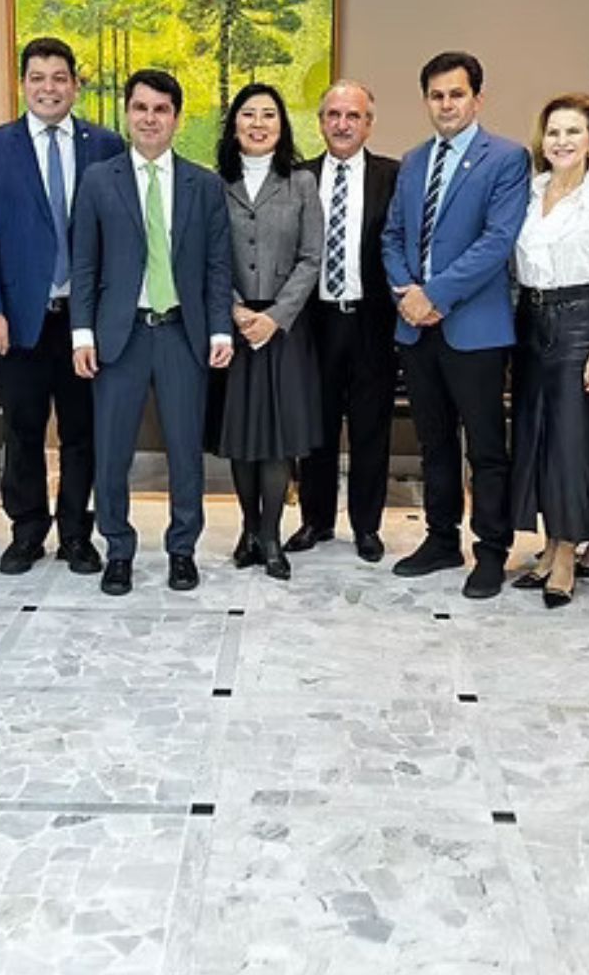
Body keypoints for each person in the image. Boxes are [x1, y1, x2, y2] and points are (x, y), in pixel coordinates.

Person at [0, 37, 125, 577]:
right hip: (16, 321)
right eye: (38, 77)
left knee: (82, 433)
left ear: (75, 85)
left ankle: (76, 534)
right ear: (22, 84)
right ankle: (27, 532)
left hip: (83, 322)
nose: (48, 88)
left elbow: (116, 235)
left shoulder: (105, 145)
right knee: (23, 430)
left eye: (59, 78)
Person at [70, 69, 234, 596]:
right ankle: (118, 550)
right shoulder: (99, 180)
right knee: (112, 451)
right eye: (140, 108)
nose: (150, 118)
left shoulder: (204, 185)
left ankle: (182, 549)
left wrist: (220, 330)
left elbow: (217, 266)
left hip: (182, 333)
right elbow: (84, 264)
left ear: (176, 118)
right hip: (119, 337)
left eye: (161, 109)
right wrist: (81, 334)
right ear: (127, 113)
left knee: (185, 451)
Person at [383, 51, 531, 600]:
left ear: (477, 99)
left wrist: (436, 294)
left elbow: (497, 240)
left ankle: (491, 551)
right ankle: (441, 539)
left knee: (486, 449)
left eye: (456, 94)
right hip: (416, 328)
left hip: (475, 328)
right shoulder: (413, 160)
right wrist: (407, 293)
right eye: (437, 96)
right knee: (434, 443)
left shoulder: (507, 158)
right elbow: (392, 237)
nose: (446, 104)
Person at [507, 95, 589, 608]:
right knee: (537, 437)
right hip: (530, 321)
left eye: (572, 132)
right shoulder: (528, 193)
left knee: (573, 442)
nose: (561, 141)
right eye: (553, 132)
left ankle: (566, 554)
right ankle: (547, 546)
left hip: (581, 324)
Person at [209, 83, 324, 580]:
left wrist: (275, 316)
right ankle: (249, 530)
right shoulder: (214, 184)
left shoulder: (301, 184)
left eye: (269, 115)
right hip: (232, 326)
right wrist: (235, 310)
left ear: (282, 125)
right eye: (249, 114)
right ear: (234, 123)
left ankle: (273, 536)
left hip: (284, 328)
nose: (258, 124)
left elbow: (311, 257)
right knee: (241, 436)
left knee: (277, 439)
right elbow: (206, 256)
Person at [288, 81, 400, 563]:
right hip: (314, 321)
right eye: (333, 115)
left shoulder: (393, 176)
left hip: (372, 320)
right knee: (316, 427)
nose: (342, 124)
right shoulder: (299, 177)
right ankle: (315, 520)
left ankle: (367, 526)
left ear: (369, 124)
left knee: (372, 428)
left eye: (353, 116)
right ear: (320, 123)